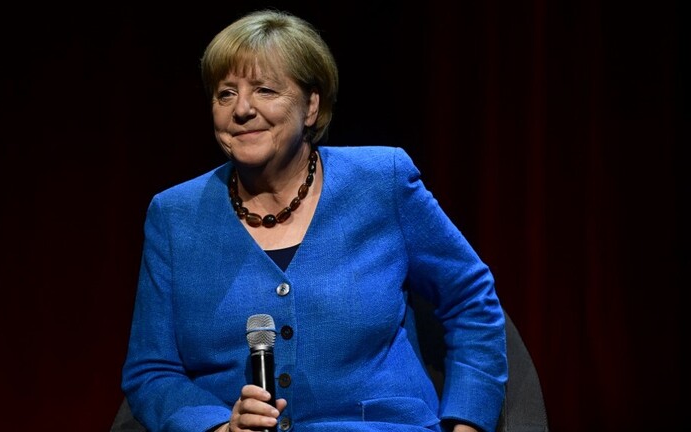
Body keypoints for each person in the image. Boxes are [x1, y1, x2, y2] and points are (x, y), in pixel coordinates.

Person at [121, 9, 507, 432]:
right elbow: (152, 371)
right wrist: (218, 427)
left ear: (311, 106)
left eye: (264, 90)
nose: (242, 109)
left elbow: (471, 299)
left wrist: (468, 423)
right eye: (225, 94)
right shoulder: (173, 216)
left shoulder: (383, 182)